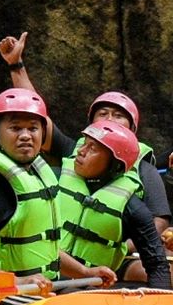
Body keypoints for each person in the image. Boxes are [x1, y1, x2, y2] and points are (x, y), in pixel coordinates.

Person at [0, 32, 172, 279]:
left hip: (113, 258)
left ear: (133, 130)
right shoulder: (75, 150)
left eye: (118, 115)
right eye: (103, 114)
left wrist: (122, 246)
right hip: (55, 253)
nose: (110, 120)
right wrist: (16, 65)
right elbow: (36, 118)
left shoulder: (144, 169)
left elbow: (158, 221)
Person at [0, 89, 113, 305]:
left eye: (33, 128)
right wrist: (16, 282)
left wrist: (85, 273)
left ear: (43, 133)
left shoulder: (36, 175)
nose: (25, 135)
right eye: (15, 128)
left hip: (33, 289)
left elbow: (43, 246)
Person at [55, 121, 169, 289]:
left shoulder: (132, 208)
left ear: (115, 164)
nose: (80, 151)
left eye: (92, 149)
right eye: (84, 143)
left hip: (90, 288)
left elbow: (157, 265)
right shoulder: (52, 179)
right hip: (42, 280)